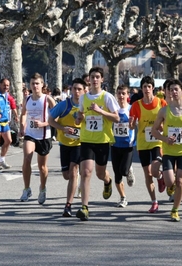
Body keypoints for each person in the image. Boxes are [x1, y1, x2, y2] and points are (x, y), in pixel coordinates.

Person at [151, 79, 182, 222]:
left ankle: (175, 210)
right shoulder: (164, 111)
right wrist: (165, 139)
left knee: (180, 181)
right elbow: (154, 131)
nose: (173, 92)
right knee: (169, 182)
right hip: (168, 150)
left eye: (176, 89)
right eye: (170, 89)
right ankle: (167, 184)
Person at [74, 67, 120, 221]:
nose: (94, 80)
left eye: (97, 77)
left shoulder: (107, 97)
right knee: (86, 172)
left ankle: (107, 181)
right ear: (89, 79)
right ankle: (84, 208)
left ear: (102, 80)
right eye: (92, 77)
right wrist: (79, 118)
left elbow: (117, 118)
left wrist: (101, 112)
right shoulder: (84, 98)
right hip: (87, 139)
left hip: (102, 140)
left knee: (100, 173)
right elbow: (79, 117)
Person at [129, 76, 167, 213]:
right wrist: (132, 124)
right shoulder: (136, 105)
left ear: (153, 88)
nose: (146, 89)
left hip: (157, 141)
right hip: (143, 143)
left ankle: (161, 177)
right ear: (141, 88)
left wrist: (163, 126)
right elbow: (132, 127)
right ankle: (154, 201)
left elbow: (168, 120)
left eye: (149, 87)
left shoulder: (161, 103)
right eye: (144, 87)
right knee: (148, 174)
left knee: (155, 169)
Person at [48, 78, 86, 217]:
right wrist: (63, 128)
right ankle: (79, 181)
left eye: (79, 89)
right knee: (66, 175)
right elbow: (50, 120)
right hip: (64, 144)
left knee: (73, 171)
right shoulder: (64, 105)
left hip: (80, 144)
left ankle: (68, 206)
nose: (76, 92)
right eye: (74, 88)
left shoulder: (87, 106)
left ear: (84, 91)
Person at [19, 73, 56, 204]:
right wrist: (22, 127)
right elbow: (23, 114)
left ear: (42, 85)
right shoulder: (27, 99)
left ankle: (43, 188)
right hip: (30, 134)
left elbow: (56, 117)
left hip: (44, 136)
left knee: (42, 167)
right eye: (32, 84)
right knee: (27, 158)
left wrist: (44, 124)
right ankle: (26, 188)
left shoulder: (48, 99)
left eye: (37, 83)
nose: (35, 86)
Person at [111, 85, 136, 208]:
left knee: (124, 171)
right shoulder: (113, 110)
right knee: (117, 175)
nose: (121, 96)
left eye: (123, 93)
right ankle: (123, 197)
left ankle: (129, 169)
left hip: (128, 145)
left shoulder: (132, 109)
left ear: (128, 95)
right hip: (115, 145)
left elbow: (137, 124)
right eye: (119, 93)